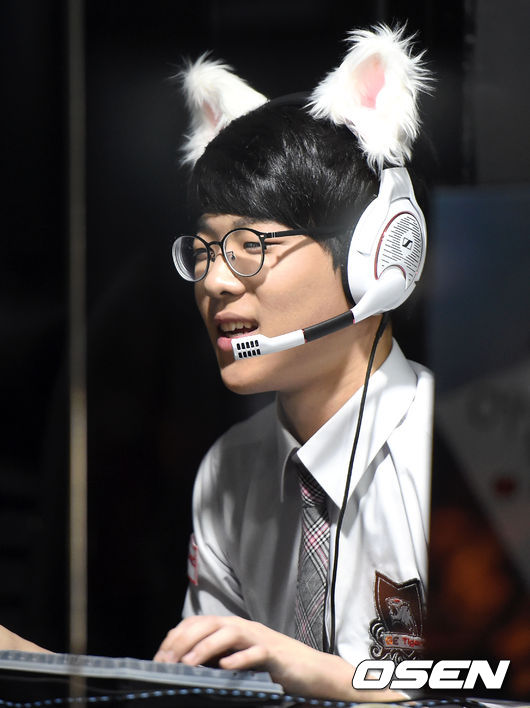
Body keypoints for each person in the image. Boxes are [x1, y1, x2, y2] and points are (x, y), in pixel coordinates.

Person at [154, 24, 434, 701]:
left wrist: (334, 682)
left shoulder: (459, 456)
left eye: (251, 246)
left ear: (375, 257)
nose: (216, 282)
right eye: (205, 251)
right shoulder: (230, 470)